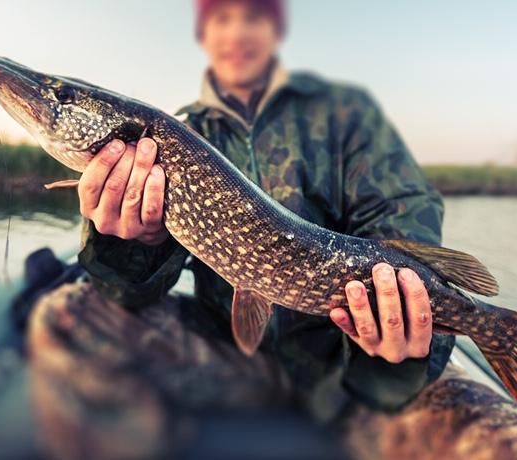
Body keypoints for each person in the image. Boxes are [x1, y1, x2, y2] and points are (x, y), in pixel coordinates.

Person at [77, 0, 454, 412]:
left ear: (276, 32)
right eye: (222, 19)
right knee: (67, 314)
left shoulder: (345, 116)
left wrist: (399, 329)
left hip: (344, 366)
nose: (237, 33)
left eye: (253, 18)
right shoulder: (183, 136)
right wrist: (132, 243)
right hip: (224, 355)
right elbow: (126, 296)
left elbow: (400, 210)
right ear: (205, 34)